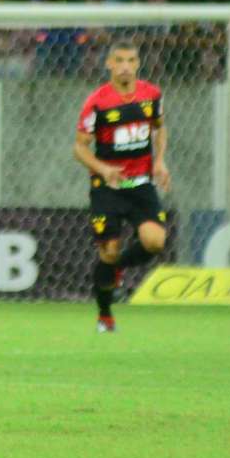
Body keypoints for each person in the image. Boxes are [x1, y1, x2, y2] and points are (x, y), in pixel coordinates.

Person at [73, 40, 170, 333]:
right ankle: (105, 315)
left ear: (137, 63)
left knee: (155, 241)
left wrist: (160, 161)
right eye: (119, 60)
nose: (125, 66)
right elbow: (79, 148)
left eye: (131, 60)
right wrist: (102, 168)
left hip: (141, 185)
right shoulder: (97, 102)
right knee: (109, 250)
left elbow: (160, 127)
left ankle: (116, 271)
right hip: (107, 187)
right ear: (109, 64)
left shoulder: (151, 95)